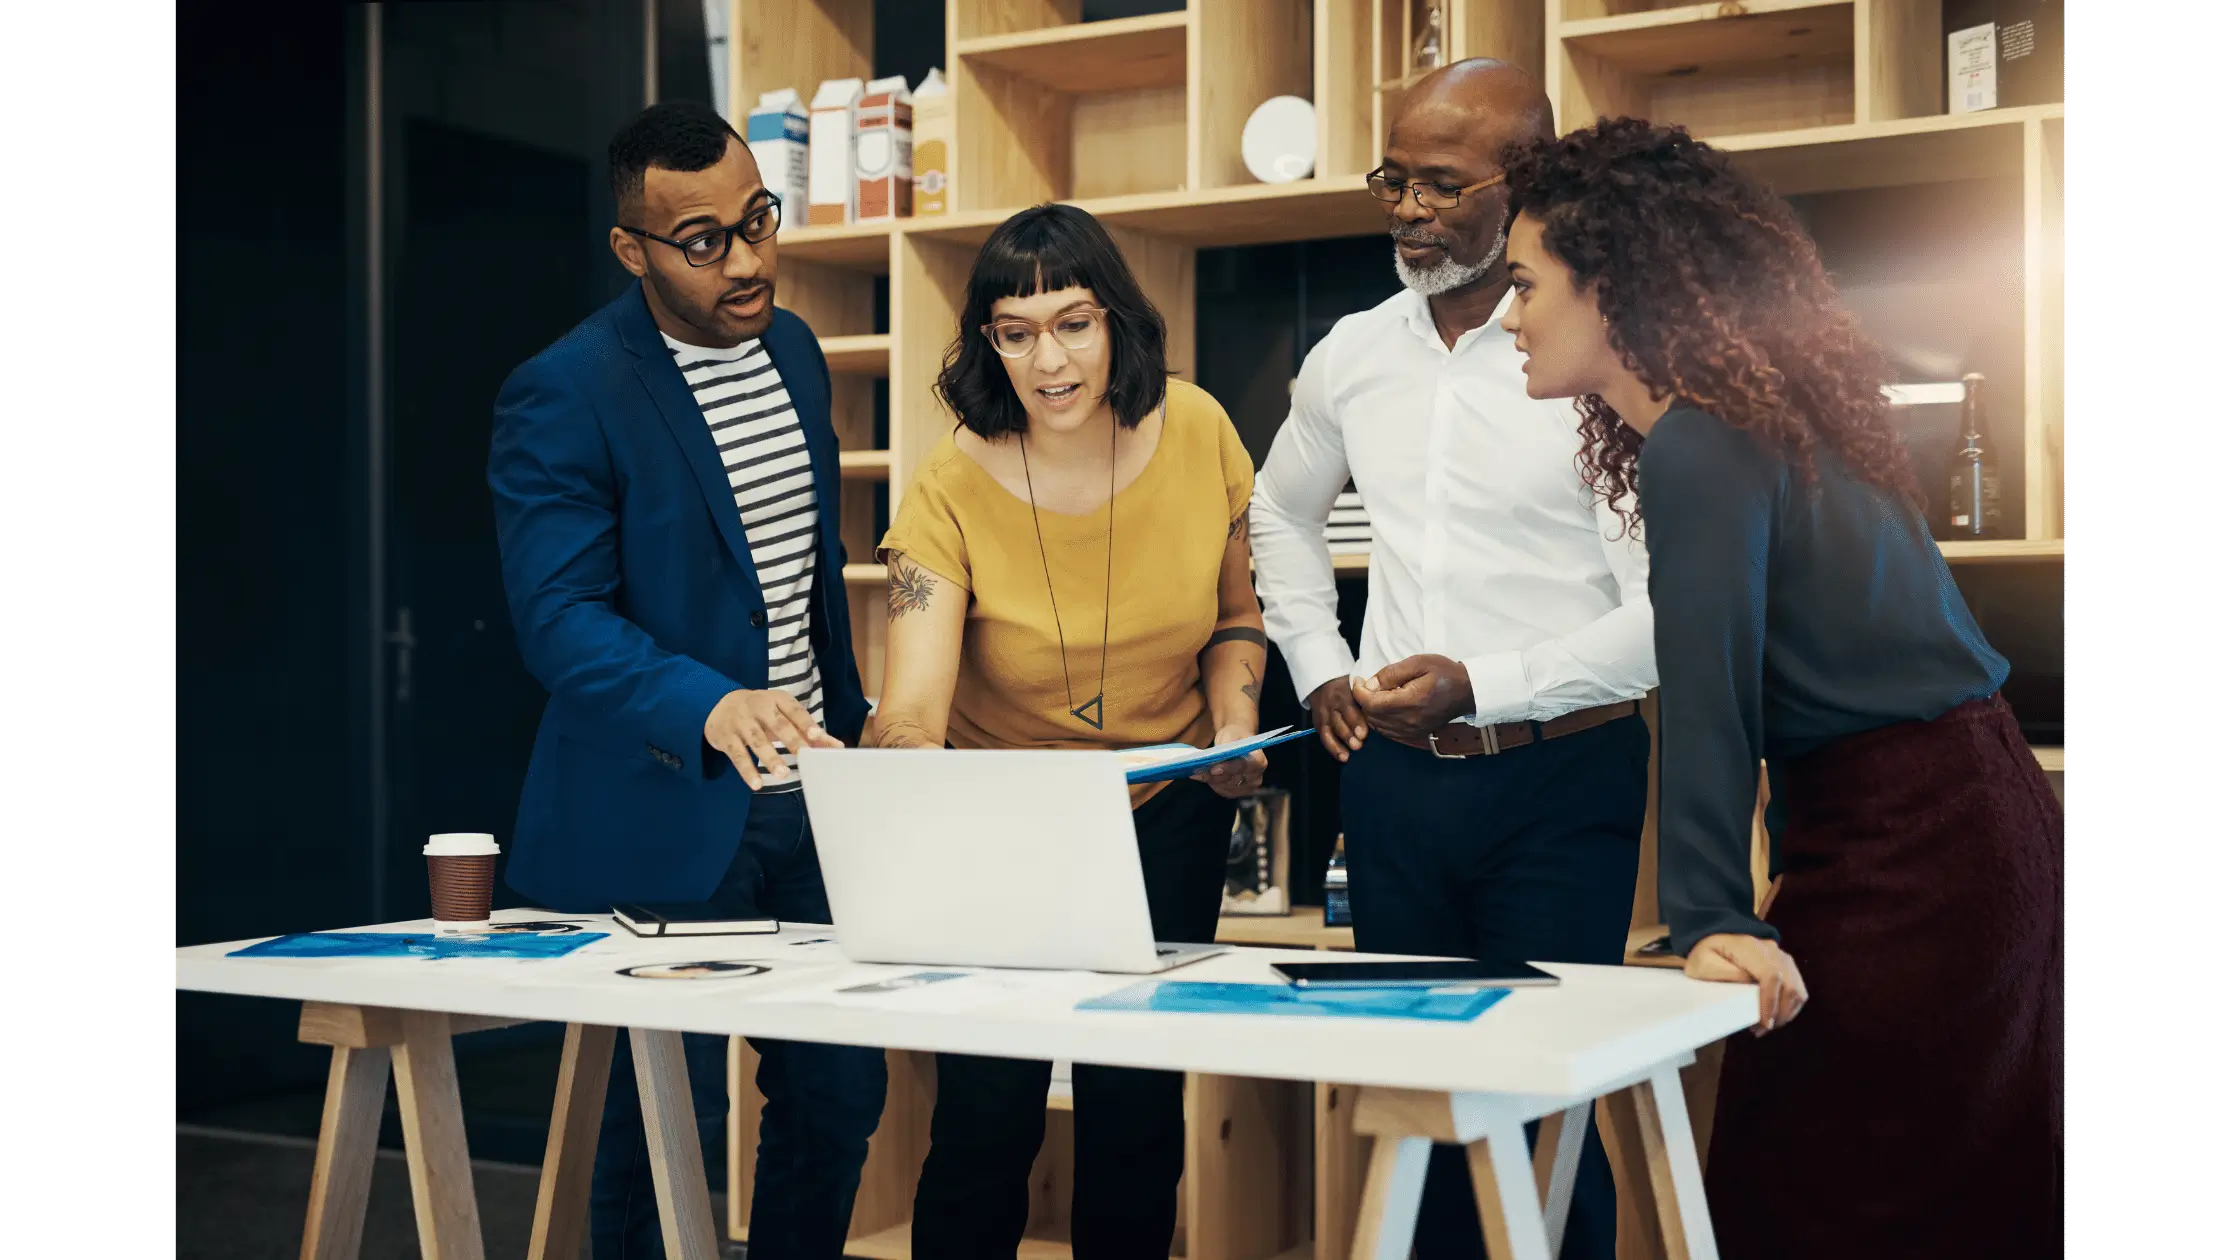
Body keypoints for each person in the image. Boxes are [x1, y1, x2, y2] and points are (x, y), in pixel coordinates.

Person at [1495, 117, 2064, 1259]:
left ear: (1610, 281)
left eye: (1523, 283)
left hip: (1916, 849)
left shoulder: (1699, 443)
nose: (1507, 316)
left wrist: (1709, 916)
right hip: (1966, 822)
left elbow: (1709, 697)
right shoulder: (1763, 418)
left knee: (1814, 1196)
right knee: (1939, 1197)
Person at [1248, 60, 1652, 1260]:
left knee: (1544, 1113)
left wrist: (1486, 685)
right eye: (1391, 180)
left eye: (1438, 184)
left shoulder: (1597, 357)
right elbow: (1277, 513)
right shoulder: (1349, 355)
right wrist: (1319, 665)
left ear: (1524, 182)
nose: (1407, 210)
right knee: (1415, 1106)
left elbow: (1667, 616)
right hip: (1391, 788)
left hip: (1561, 778)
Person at [487, 100, 888, 1260]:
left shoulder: (796, 350)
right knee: (656, 1126)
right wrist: (706, 704)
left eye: (757, 220)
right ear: (633, 249)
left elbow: (803, 573)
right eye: (704, 241)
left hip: (811, 804)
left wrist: (854, 724)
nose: (748, 260)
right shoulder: (565, 390)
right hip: (661, 809)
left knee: (836, 1102)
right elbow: (558, 621)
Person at [866, 202, 1267, 1260]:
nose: (1048, 361)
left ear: (1116, 320)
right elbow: (911, 704)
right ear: (986, 343)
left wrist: (1232, 728)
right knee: (984, 1116)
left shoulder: (1198, 430)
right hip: (1005, 821)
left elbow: (1235, 615)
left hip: (1165, 810)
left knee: (1136, 1117)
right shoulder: (949, 486)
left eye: (1073, 324)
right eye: (1015, 332)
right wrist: (901, 769)